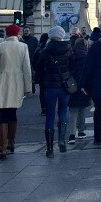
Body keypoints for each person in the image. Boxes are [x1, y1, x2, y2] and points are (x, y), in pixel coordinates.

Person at [0, 24, 32, 160]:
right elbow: (27, 68)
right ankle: (11, 142)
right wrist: (28, 87)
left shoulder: (1, 46)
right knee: (12, 114)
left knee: (2, 116)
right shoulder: (23, 47)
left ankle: (2, 148)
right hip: (17, 83)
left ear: (7, 33)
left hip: (3, 81)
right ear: (17, 34)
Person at [36, 26, 74, 157]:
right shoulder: (68, 49)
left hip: (50, 86)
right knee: (63, 112)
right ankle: (62, 140)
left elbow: (38, 67)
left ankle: (50, 148)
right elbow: (72, 66)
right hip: (64, 85)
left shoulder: (46, 51)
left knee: (50, 115)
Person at [67, 37, 91, 143]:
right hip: (84, 85)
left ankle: (72, 134)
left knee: (73, 110)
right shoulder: (87, 56)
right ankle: (81, 131)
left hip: (72, 84)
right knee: (82, 108)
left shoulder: (71, 54)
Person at [32, 33, 49, 116]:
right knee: (49, 91)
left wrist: (37, 69)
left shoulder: (38, 49)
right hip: (49, 74)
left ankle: (43, 108)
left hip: (41, 73)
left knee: (42, 91)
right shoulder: (49, 48)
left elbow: (33, 61)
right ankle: (49, 107)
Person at [21, 26, 38, 91]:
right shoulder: (21, 40)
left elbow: (36, 49)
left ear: (30, 32)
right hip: (23, 59)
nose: (26, 32)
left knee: (31, 74)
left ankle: (32, 85)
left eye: (27, 31)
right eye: (25, 31)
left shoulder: (34, 39)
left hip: (32, 59)